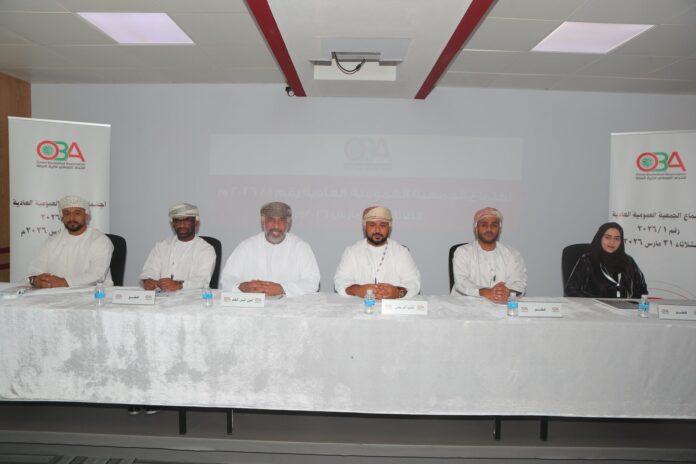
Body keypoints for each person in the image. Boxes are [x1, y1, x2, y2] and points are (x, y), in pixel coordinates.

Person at [220, 202, 320, 297]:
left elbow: (312, 282)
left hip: (290, 306)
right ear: (263, 222)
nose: (276, 226)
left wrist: (282, 288)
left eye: (281, 220)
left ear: (288, 223)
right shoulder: (247, 246)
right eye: (271, 220)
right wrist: (242, 286)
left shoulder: (300, 247)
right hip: (252, 306)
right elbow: (227, 278)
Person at [334, 206, 420, 299]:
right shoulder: (352, 251)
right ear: (364, 227)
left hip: (393, 306)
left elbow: (413, 282)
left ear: (389, 228)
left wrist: (397, 292)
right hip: (360, 305)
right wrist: (358, 290)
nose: (377, 230)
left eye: (382, 225)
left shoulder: (401, 252)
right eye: (372, 225)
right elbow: (340, 281)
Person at [27, 195, 113, 288]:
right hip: (56, 293)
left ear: (86, 216)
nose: (72, 218)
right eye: (67, 213)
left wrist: (64, 282)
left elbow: (97, 275)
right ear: (62, 217)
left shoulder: (101, 241)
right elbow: (36, 268)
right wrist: (35, 280)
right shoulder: (52, 241)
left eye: (77, 213)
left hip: (93, 293)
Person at [451, 207, 527, 304]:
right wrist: (485, 292)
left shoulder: (512, 254)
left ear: (499, 229)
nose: (489, 229)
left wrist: (508, 292)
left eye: (494, 225)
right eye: (484, 225)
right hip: (465, 306)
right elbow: (461, 282)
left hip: (501, 306)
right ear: (476, 229)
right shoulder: (462, 252)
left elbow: (519, 283)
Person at [140, 203, 216, 292]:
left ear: (196, 223)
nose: (181, 225)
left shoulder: (206, 249)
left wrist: (179, 285)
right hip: (161, 297)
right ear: (172, 224)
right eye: (177, 221)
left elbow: (202, 280)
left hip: (191, 298)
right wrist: (148, 281)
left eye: (187, 220)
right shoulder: (162, 246)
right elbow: (149, 271)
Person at [565, 222, 648, 298]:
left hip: (624, 308)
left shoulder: (628, 261)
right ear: (600, 238)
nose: (612, 242)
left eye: (616, 239)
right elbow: (571, 290)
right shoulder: (588, 260)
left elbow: (642, 290)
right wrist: (596, 303)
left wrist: (632, 304)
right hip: (594, 307)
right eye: (608, 237)